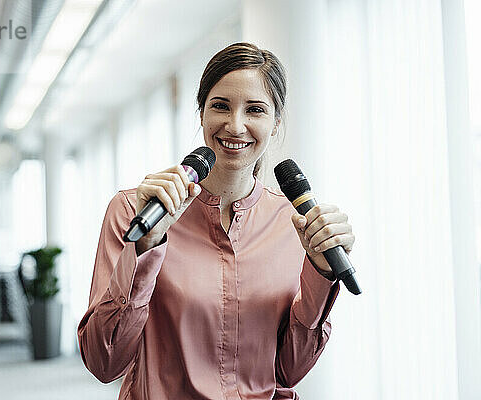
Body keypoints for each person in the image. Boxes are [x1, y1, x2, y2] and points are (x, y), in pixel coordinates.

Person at [77, 42, 355, 400]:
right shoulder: (135, 210)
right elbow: (104, 362)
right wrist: (145, 248)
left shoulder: (293, 224)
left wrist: (320, 272)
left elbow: (288, 371)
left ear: (275, 123)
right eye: (220, 106)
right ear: (202, 114)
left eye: (255, 110)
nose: (235, 125)